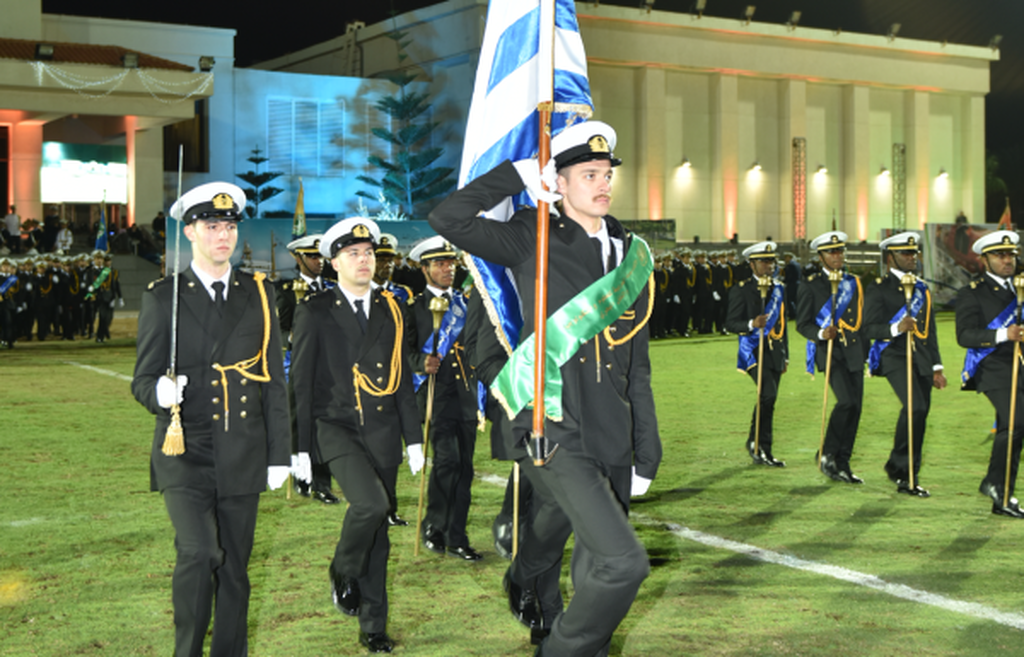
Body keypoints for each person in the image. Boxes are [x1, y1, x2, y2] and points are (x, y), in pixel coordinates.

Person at [428, 119, 661, 656]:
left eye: (606, 174)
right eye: (587, 174)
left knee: (596, 570)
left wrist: (647, 446)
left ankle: (532, 582)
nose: (602, 184)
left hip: (613, 429)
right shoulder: (531, 237)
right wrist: (515, 174)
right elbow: (446, 217)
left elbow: (638, 364)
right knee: (623, 563)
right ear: (558, 182)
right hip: (553, 425)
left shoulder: (632, 255)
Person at [130, 181, 291, 657]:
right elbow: (142, 380)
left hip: (244, 448)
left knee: (236, 569)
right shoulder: (164, 298)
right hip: (187, 451)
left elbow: (274, 384)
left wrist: (279, 453)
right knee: (200, 553)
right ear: (191, 233)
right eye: (212, 226)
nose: (223, 235)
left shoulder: (260, 295)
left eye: (229, 226)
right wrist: (159, 391)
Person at [290, 217, 424, 654]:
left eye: (368, 253)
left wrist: (415, 437)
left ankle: (373, 626)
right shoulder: (316, 310)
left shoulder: (392, 307)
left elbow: (402, 378)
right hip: (337, 425)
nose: (363, 260)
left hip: (383, 427)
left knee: (379, 534)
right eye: (353, 254)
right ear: (333, 263)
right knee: (371, 504)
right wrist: (300, 447)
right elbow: (302, 384)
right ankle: (343, 568)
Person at [406, 236, 483, 561]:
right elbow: (403, 351)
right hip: (434, 396)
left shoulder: (466, 305)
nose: (447, 269)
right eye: (439, 264)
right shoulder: (412, 308)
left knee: (464, 468)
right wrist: (419, 362)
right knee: (448, 460)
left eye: (450, 263)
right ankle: (434, 526)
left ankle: (457, 535)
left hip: (464, 396)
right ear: (424, 269)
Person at [865, 232, 945, 497]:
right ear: (891, 257)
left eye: (914, 253)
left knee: (920, 414)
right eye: (906, 254)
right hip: (893, 355)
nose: (912, 258)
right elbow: (868, 328)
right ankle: (904, 472)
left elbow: (930, 330)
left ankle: (904, 469)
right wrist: (896, 328)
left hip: (921, 357)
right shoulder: (879, 287)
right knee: (915, 407)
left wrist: (937, 367)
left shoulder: (922, 288)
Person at [956, 230, 1024, 517]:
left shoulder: (1020, 288)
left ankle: (1002, 495)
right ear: (984, 259)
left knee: (1014, 427)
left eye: (1010, 255)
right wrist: (1003, 334)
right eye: (999, 255)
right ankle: (995, 484)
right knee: (1016, 422)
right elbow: (965, 335)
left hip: (1020, 366)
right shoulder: (972, 293)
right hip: (993, 366)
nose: (1007, 260)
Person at [274, 233, 339, 505]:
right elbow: (277, 331)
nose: (318, 261)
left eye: (320, 256)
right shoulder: (285, 291)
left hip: (329, 369)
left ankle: (322, 483)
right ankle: (302, 477)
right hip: (298, 367)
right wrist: (295, 335)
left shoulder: (335, 289)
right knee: (299, 426)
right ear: (297, 258)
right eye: (312, 257)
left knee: (325, 427)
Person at [797, 231, 866, 483]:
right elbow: (802, 324)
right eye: (832, 252)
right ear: (821, 256)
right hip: (830, 352)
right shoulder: (811, 285)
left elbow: (862, 320)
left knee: (856, 408)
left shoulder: (854, 282)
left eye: (840, 251)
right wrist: (821, 334)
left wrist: (868, 353)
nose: (838, 256)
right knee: (846, 402)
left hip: (855, 351)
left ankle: (843, 463)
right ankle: (826, 454)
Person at [726, 241, 788, 467]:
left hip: (775, 352)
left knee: (769, 400)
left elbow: (782, 324)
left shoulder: (779, 288)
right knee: (767, 395)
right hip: (752, 351)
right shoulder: (741, 289)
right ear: (751, 264)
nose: (769, 265)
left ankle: (759, 445)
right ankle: (759, 446)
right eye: (763, 261)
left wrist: (786, 355)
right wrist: (752, 323)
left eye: (771, 261)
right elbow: (730, 323)